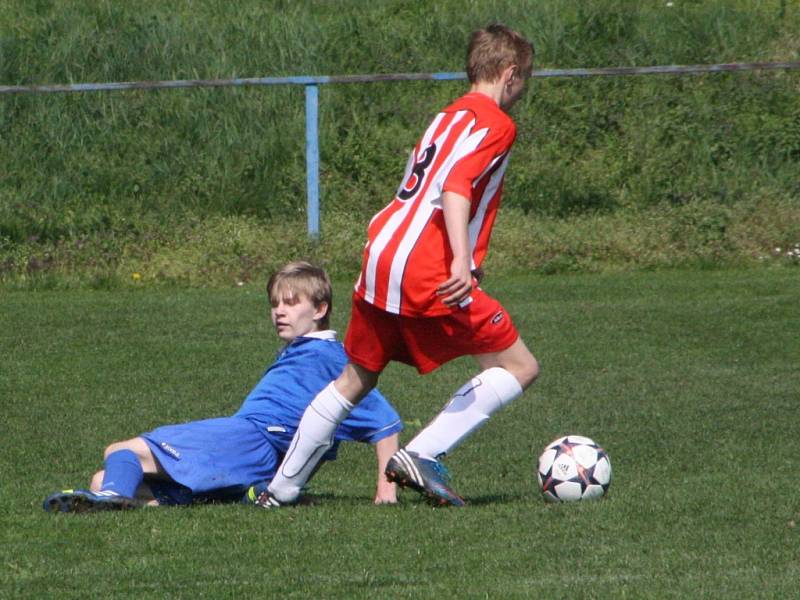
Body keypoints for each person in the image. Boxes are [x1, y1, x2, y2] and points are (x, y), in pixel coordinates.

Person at [254, 24, 539, 509]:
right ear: (510, 74)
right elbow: (455, 185)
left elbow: (417, 173)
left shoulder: (444, 117)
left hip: (382, 251)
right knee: (519, 365)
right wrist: (462, 260)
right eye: (524, 81)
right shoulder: (497, 124)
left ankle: (280, 490)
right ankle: (421, 453)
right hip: (424, 265)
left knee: (355, 379)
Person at [43, 261, 402, 513]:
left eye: (291, 303)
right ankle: (235, 496)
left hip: (249, 438)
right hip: (250, 456)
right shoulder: (305, 352)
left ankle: (113, 499)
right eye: (275, 303)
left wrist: (387, 492)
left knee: (122, 451)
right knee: (101, 479)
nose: (279, 311)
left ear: (321, 308)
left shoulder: (330, 355)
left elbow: (385, 422)